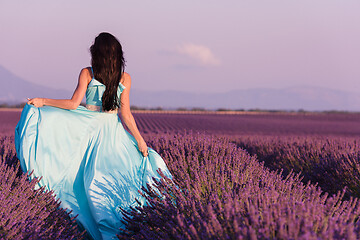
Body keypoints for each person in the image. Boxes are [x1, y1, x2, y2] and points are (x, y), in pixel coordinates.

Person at [15, 32, 171, 240]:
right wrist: (140, 141)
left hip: (90, 130)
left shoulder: (87, 73)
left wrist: (43, 101)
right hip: (113, 133)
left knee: (82, 176)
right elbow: (126, 114)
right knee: (118, 176)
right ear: (117, 54)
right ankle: (128, 225)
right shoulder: (124, 78)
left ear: (95, 53)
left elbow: (72, 104)